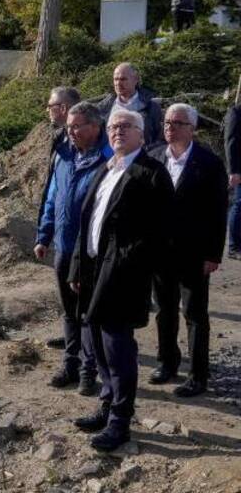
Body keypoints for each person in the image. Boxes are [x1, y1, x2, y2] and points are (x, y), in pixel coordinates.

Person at [69, 109, 174, 452]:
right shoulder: (107, 167)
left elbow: (159, 234)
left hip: (123, 276)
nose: (118, 132)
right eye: (114, 126)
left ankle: (120, 421)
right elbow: (89, 223)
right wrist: (77, 268)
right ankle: (106, 402)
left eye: (126, 127)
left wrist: (126, 264)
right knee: (97, 342)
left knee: (118, 348)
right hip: (94, 270)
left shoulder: (151, 173)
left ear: (142, 134)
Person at [148, 104, 227, 396]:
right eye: (167, 122)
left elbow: (219, 212)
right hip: (160, 251)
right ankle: (167, 362)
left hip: (194, 252)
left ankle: (198, 374)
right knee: (164, 309)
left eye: (178, 123)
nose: (170, 127)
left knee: (194, 313)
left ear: (192, 128)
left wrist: (213, 255)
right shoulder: (154, 156)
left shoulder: (208, 162)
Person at [35, 102, 113, 394]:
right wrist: (44, 236)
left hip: (91, 252)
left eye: (78, 126)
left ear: (96, 127)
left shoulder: (108, 159)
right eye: (69, 127)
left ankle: (88, 371)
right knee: (69, 312)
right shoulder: (63, 155)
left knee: (88, 315)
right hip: (64, 247)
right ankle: (70, 364)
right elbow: (52, 199)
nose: (72, 132)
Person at [38, 86, 81, 350]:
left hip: (83, 238)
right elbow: (53, 192)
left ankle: (86, 355)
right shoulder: (60, 141)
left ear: (63, 109)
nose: (48, 111)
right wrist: (44, 233)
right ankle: (72, 340)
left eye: (51, 106)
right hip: (62, 234)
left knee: (82, 295)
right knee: (67, 295)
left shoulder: (98, 149)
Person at [96, 63, 163, 147]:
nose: (118, 83)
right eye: (116, 79)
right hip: (111, 158)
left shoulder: (151, 107)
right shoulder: (103, 108)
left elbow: (159, 137)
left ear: (136, 80)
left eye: (123, 79)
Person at [225, 102, 241, 259]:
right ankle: (234, 247)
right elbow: (230, 142)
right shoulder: (236, 112)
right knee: (239, 204)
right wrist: (233, 170)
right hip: (239, 168)